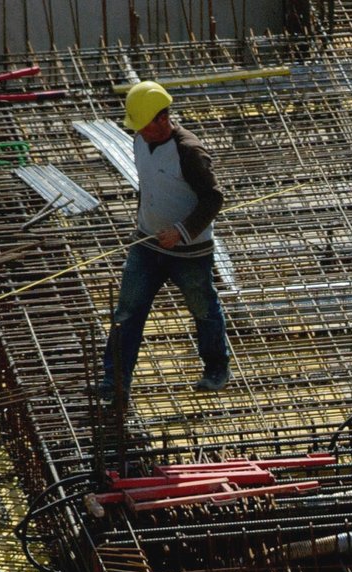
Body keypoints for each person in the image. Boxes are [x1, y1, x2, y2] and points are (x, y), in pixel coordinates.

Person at [98, 82, 231, 410]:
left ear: (161, 119)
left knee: (202, 308)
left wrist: (183, 231)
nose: (139, 132)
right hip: (147, 244)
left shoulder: (189, 151)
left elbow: (214, 198)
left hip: (189, 252)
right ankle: (114, 384)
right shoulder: (140, 140)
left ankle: (217, 367)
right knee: (127, 312)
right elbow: (148, 185)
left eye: (143, 125)